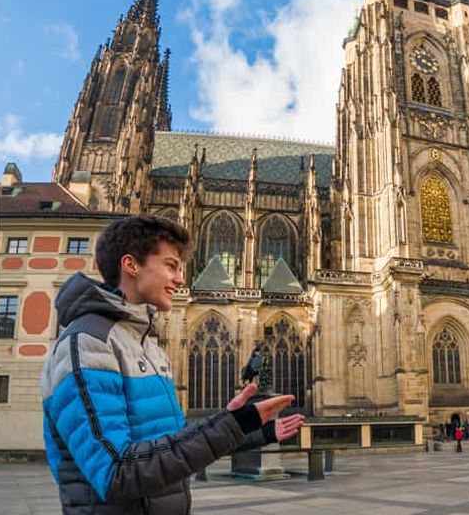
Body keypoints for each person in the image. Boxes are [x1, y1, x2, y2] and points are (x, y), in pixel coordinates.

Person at [41, 215, 305, 514]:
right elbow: (117, 473)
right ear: (131, 265)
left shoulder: (146, 345)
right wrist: (229, 426)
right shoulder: (88, 344)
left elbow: (173, 439)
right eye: (171, 266)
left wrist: (250, 430)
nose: (181, 279)